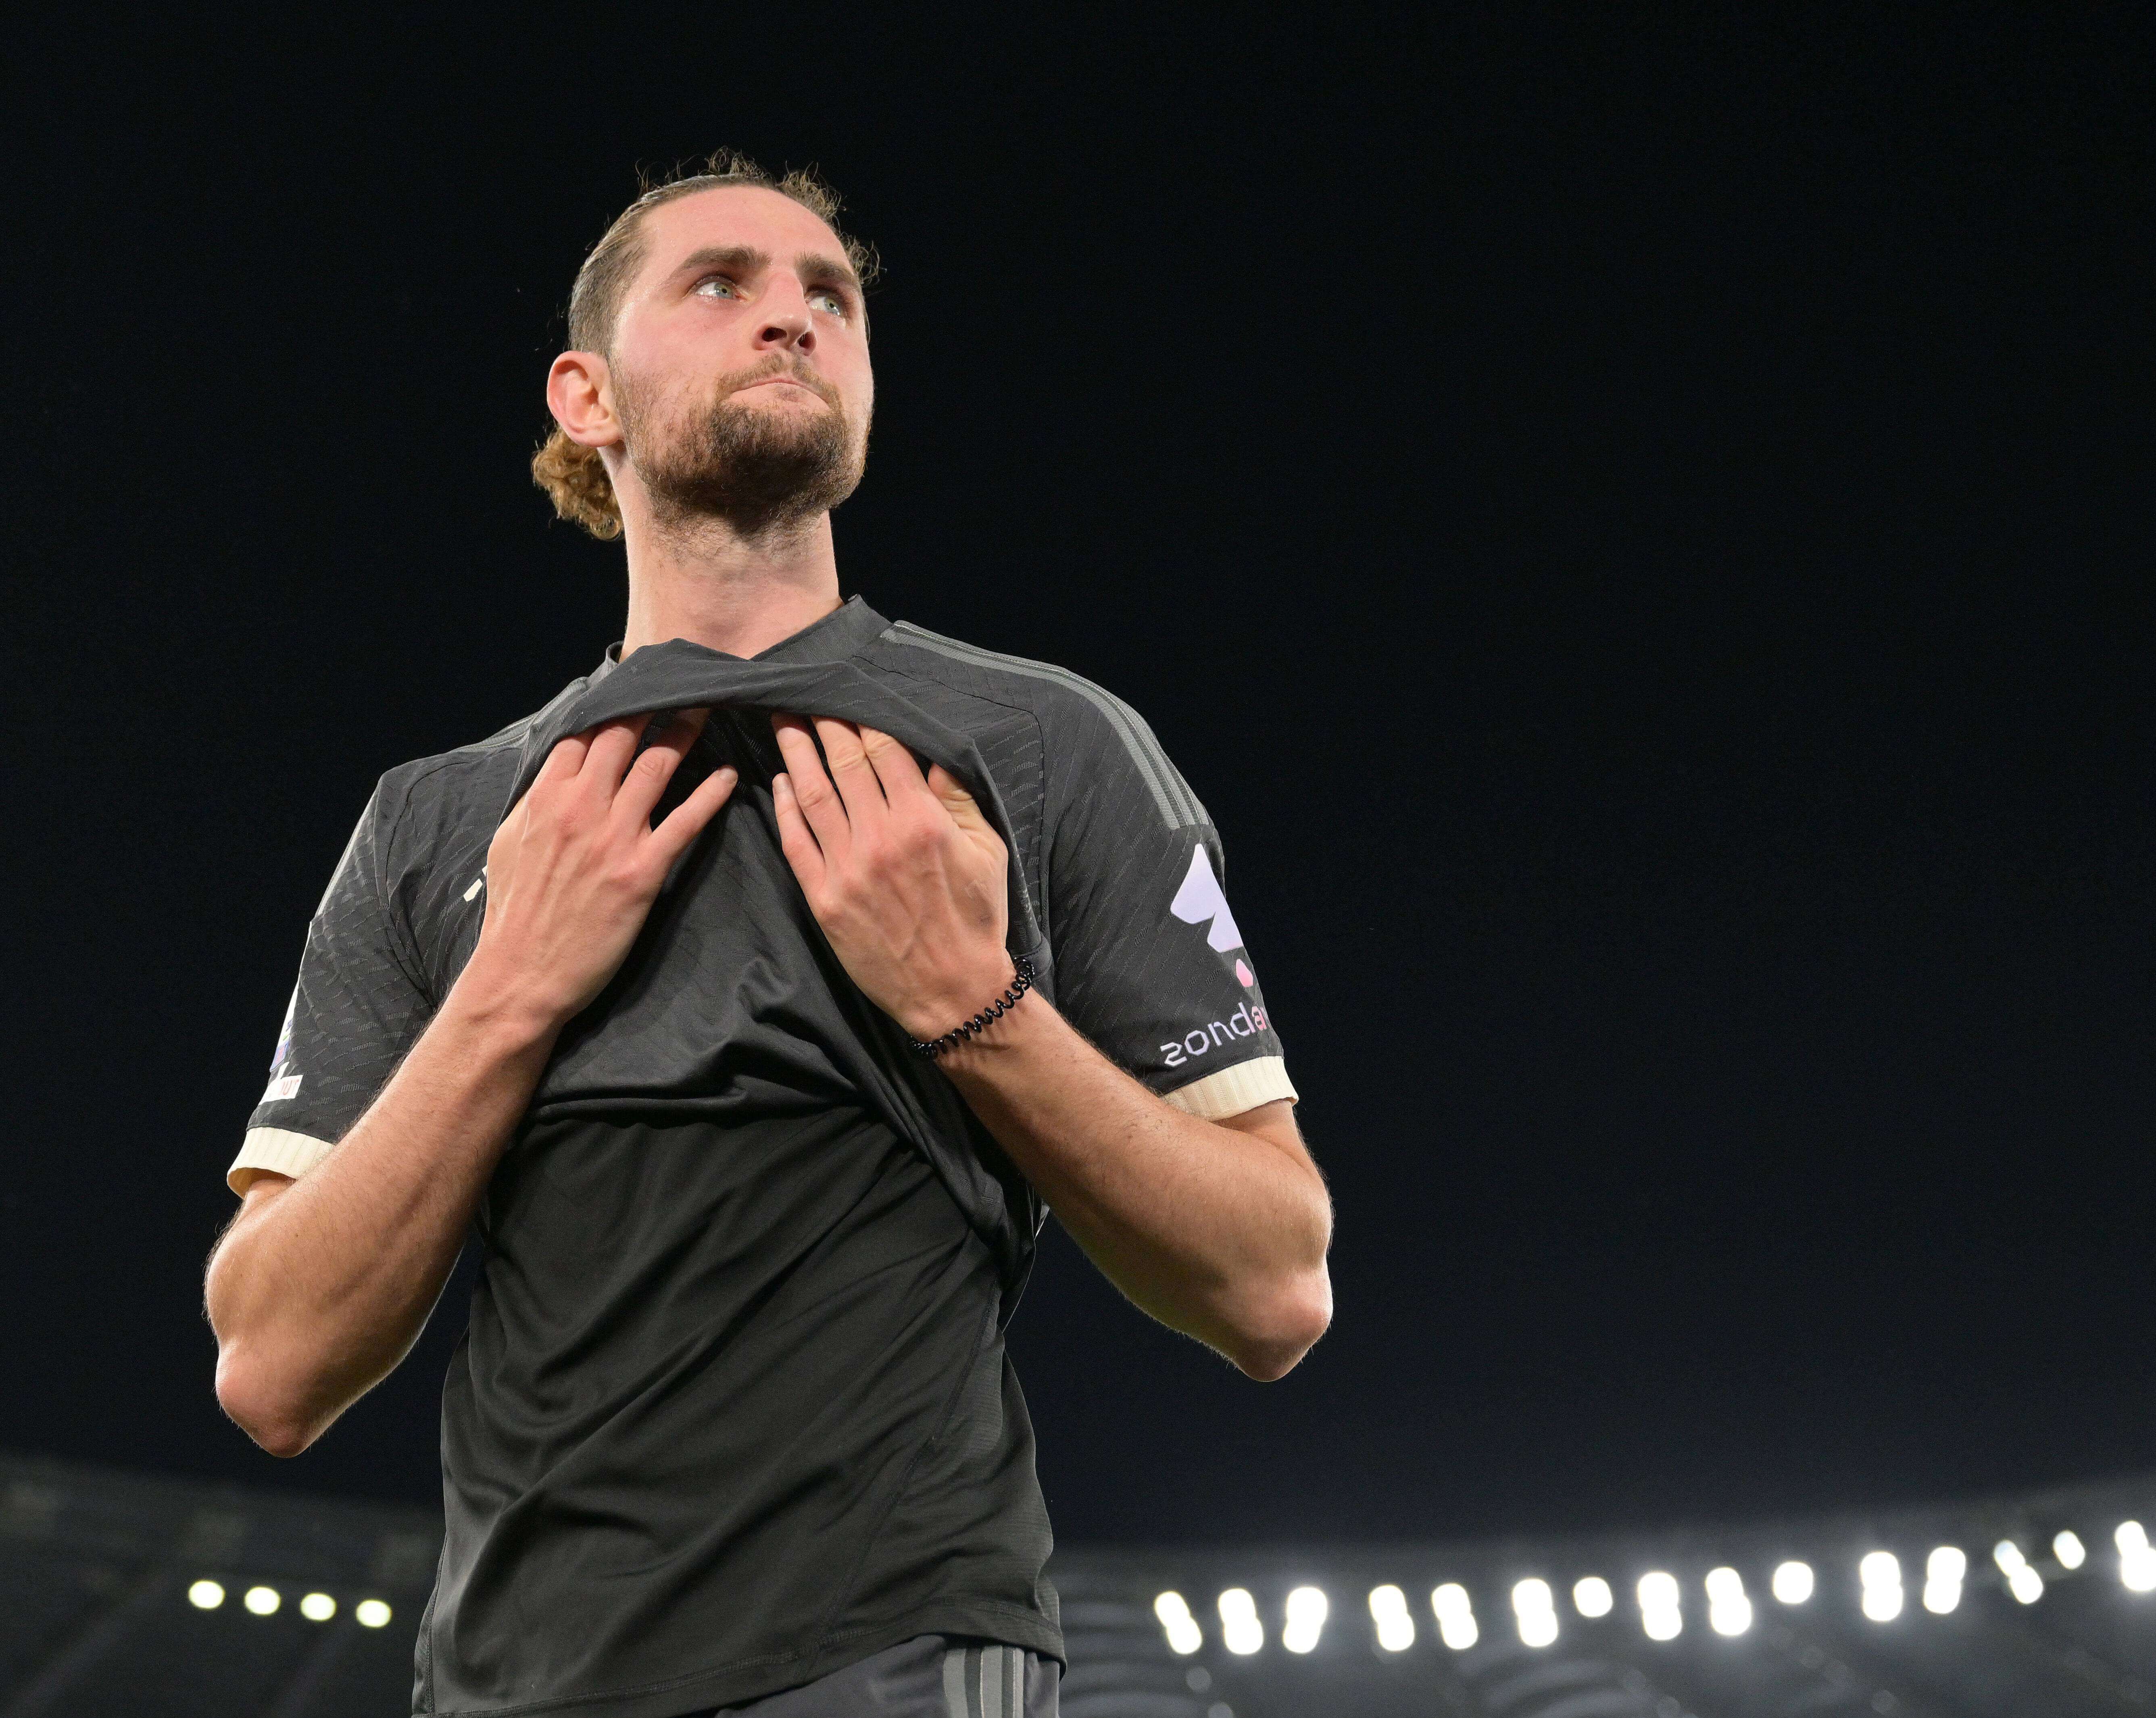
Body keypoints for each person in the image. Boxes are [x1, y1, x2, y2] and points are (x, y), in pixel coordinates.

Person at [201, 152, 1332, 1718]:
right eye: (722, 283)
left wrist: (967, 997)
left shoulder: (1047, 747)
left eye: (833, 299)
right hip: (503, 1684)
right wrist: (508, 996)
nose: (794, 319)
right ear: (586, 396)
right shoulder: (440, 820)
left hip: (892, 1653)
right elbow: (268, 1363)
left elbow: (1272, 1284)